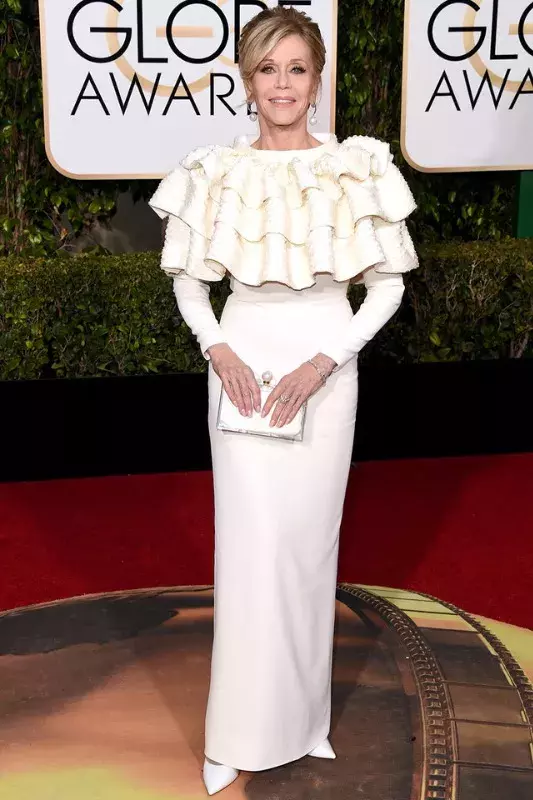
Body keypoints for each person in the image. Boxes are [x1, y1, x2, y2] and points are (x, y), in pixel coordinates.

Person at [148, 6, 418, 795]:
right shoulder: (215, 171)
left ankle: (303, 722)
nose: (282, 84)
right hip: (241, 369)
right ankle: (233, 734)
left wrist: (325, 360)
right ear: (246, 79)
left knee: (306, 550)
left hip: (324, 373)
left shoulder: (355, 168)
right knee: (249, 548)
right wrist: (218, 348)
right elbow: (190, 283)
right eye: (267, 69)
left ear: (317, 79)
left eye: (296, 68)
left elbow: (386, 287)